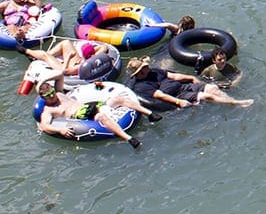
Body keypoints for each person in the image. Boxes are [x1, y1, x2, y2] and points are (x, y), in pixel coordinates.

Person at [34, 80, 151, 149]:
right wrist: (60, 130)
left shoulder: (60, 94)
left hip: (91, 106)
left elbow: (59, 74)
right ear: (43, 98)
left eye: (52, 92)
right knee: (101, 117)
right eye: (48, 95)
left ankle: (150, 114)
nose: (52, 95)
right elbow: (45, 126)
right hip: (82, 116)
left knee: (119, 99)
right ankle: (129, 139)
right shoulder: (48, 110)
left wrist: (40, 82)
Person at [126, 56, 254, 108]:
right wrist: (178, 101)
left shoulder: (154, 72)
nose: (146, 69)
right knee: (207, 96)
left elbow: (175, 76)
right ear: (137, 73)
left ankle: (231, 101)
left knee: (212, 88)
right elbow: (160, 95)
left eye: (145, 67)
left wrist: (194, 80)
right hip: (177, 95)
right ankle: (236, 102)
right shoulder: (141, 86)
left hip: (183, 87)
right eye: (143, 69)